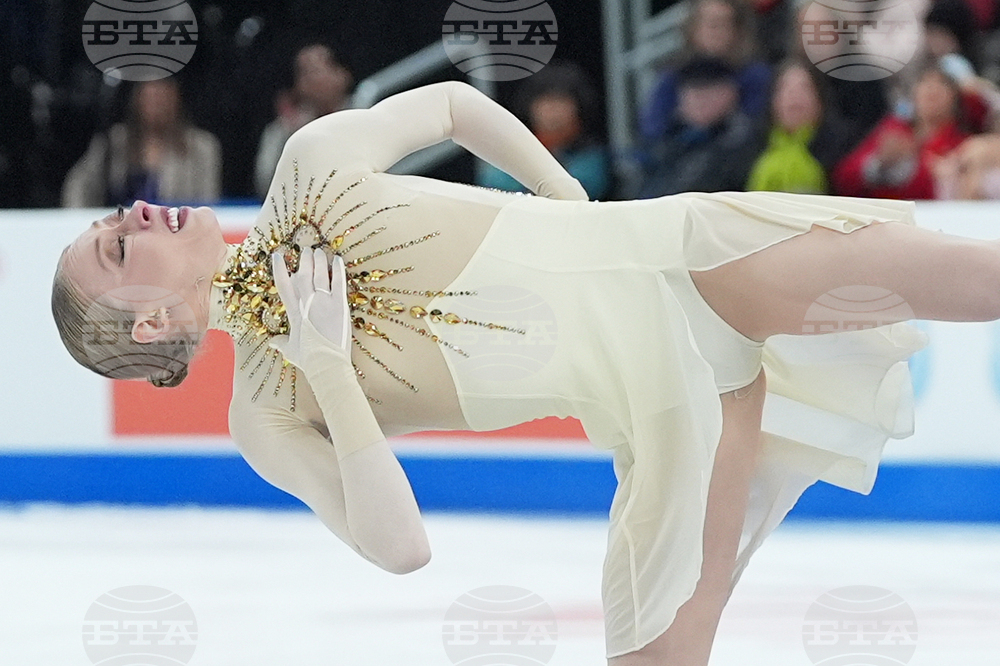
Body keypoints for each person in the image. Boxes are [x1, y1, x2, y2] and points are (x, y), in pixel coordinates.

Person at [50, 81, 1000, 664]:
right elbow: (401, 547)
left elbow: (455, 107)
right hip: (678, 415)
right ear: (163, 322)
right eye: (119, 250)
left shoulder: (311, 164)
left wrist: (566, 198)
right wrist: (329, 366)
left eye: (114, 221)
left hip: (687, 261)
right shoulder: (268, 407)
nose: (134, 211)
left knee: (977, 279)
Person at [61, 78, 221, 208]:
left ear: (176, 100)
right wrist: (80, 220)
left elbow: (208, 203)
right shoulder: (115, 141)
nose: (157, 107)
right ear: (137, 101)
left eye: (162, 99)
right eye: (151, 99)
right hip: (120, 232)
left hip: (174, 233)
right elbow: (78, 184)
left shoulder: (202, 147)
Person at [639, 0, 772, 144]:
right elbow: (651, 130)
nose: (716, 32)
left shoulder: (755, 76)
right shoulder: (672, 76)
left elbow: (758, 128)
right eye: (710, 24)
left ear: (736, 30)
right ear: (693, 29)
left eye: (723, 24)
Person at [833, 61, 969, 199]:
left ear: (954, 98)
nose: (932, 89)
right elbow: (844, 178)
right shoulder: (893, 130)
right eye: (924, 83)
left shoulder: (962, 145)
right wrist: (879, 162)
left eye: (941, 84)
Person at [475, 62, 610, 200]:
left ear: (578, 106)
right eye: (544, 101)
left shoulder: (591, 153)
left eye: (560, 100)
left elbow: (584, 189)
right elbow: (494, 184)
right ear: (530, 106)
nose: (552, 110)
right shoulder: (514, 145)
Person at [637, 56, 761, 198]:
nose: (699, 101)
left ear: (732, 93)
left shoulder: (746, 142)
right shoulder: (665, 144)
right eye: (692, 92)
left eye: (708, 92)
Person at [253, 44, 353, 199]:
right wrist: (289, 135)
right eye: (302, 73)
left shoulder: (364, 114)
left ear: (341, 75)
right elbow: (265, 183)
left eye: (315, 71)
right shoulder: (285, 128)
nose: (308, 81)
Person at [746, 58, 853, 194]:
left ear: (820, 100)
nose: (795, 96)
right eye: (786, 88)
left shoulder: (843, 149)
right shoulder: (749, 149)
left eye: (804, 88)